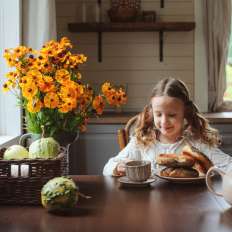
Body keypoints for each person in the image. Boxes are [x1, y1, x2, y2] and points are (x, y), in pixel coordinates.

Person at [103, 77, 232, 176]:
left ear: (185, 113)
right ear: (151, 112)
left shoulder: (196, 142)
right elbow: (107, 168)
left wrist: (216, 172)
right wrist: (118, 167)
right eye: (158, 114)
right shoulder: (142, 142)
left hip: (189, 204)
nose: (164, 121)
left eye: (171, 115)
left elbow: (229, 165)